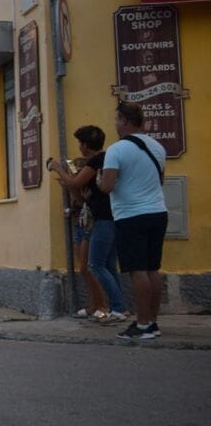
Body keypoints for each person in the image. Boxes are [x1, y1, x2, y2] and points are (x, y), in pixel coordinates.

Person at [97, 101, 167, 341]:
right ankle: (153, 321)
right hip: (158, 212)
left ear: (125, 121)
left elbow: (106, 186)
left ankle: (143, 323)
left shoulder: (117, 150)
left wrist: (98, 181)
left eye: (117, 119)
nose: (115, 124)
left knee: (137, 271)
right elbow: (161, 181)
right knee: (152, 269)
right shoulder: (157, 147)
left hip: (131, 215)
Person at [47, 126, 127, 322]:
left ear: (85, 145)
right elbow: (80, 191)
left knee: (95, 265)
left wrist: (58, 168)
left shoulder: (97, 160)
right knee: (107, 265)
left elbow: (75, 183)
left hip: (103, 218)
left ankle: (118, 307)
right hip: (109, 216)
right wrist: (69, 181)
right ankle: (117, 307)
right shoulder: (106, 158)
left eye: (80, 144)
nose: (79, 148)